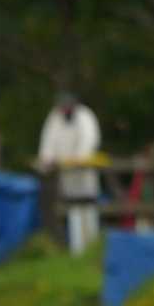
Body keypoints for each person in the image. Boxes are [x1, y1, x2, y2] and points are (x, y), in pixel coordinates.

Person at [35, 91, 102, 254]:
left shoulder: (85, 116)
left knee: (87, 203)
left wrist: (79, 158)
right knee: (69, 205)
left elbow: (89, 139)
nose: (63, 110)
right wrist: (46, 158)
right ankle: (73, 246)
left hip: (83, 170)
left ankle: (90, 245)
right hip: (64, 170)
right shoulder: (55, 117)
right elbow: (48, 140)